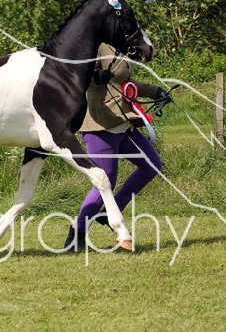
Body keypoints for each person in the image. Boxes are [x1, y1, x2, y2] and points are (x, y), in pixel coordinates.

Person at [64, 42, 169, 251]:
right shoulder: (95, 45)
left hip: (123, 123)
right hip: (100, 125)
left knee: (151, 165)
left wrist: (156, 91)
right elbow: (73, 76)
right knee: (104, 182)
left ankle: (112, 210)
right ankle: (77, 234)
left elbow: (125, 85)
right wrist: (94, 78)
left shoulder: (120, 47)